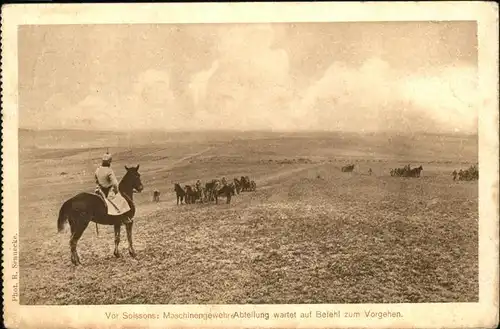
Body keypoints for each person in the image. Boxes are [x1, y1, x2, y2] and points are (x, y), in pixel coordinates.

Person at [95, 152, 132, 224]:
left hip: (100, 191)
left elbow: (96, 181)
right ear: (109, 162)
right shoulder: (109, 171)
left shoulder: (97, 170)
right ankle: (124, 218)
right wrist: (116, 191)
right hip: (108, 191)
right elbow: (115, 183)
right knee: (122, 201)